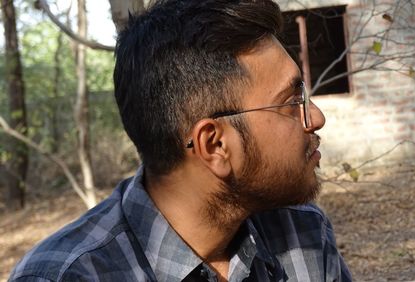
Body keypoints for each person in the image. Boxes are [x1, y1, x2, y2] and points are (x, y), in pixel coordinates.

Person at [9, 0, 352, 281]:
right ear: (214, 145)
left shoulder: (302, 232)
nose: (316, 117)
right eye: (291, 103)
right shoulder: (68, 276)